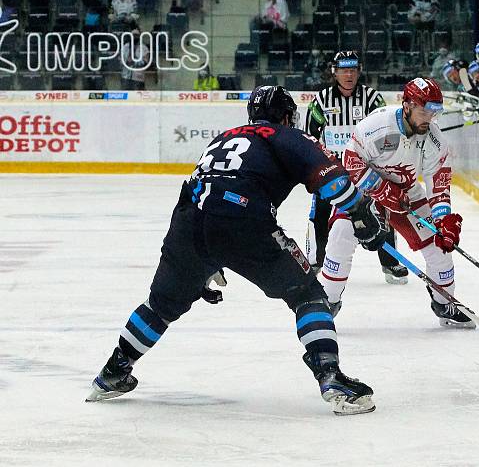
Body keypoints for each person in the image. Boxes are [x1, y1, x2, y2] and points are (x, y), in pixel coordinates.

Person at [86, 86, 386, 416]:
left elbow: (194, 192)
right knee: (309, 295)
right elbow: (334, 184)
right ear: (286, 116)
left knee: (160, 305)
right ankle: (331, 377)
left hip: (187, 223)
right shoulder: (285, 135)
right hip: (244, 221)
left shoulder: (222, 138)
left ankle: (113, 371)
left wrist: (200, 262)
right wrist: (362, 215)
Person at [320, 77, 474, 328]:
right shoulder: (377, 126)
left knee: (439, 247)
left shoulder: (435, 140)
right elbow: (351, 162)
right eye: (425, 110)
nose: (430, 118)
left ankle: (444, 302)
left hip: (408, 194)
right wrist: (382, 190)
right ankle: (328, 302)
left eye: (435, 111)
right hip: (363, 193)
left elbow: (439, 186)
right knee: (340, 235)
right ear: (407, 105)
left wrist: (443, 219)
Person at [304, 51, 408, 285]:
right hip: (331, 171)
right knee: (319, 213)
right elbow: (310, 139)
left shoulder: (372, 99)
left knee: (382, 210)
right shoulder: (321, 101)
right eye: (343, 69)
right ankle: (315, 261)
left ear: (359, 71)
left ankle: (390, 263)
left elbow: (386, 131)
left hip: (366, 169)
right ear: (335, 72)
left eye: (352, 69)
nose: (348, 74)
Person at [120, 26, 150, 90]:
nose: (134, 37)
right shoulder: (125, 47)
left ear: (139, 36)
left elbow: (145, 62)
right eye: (133, 35)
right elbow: (121, 60)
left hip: (138, 78)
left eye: (136, 35)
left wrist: (134, 61)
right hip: (126, 77)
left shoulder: (144, 48)